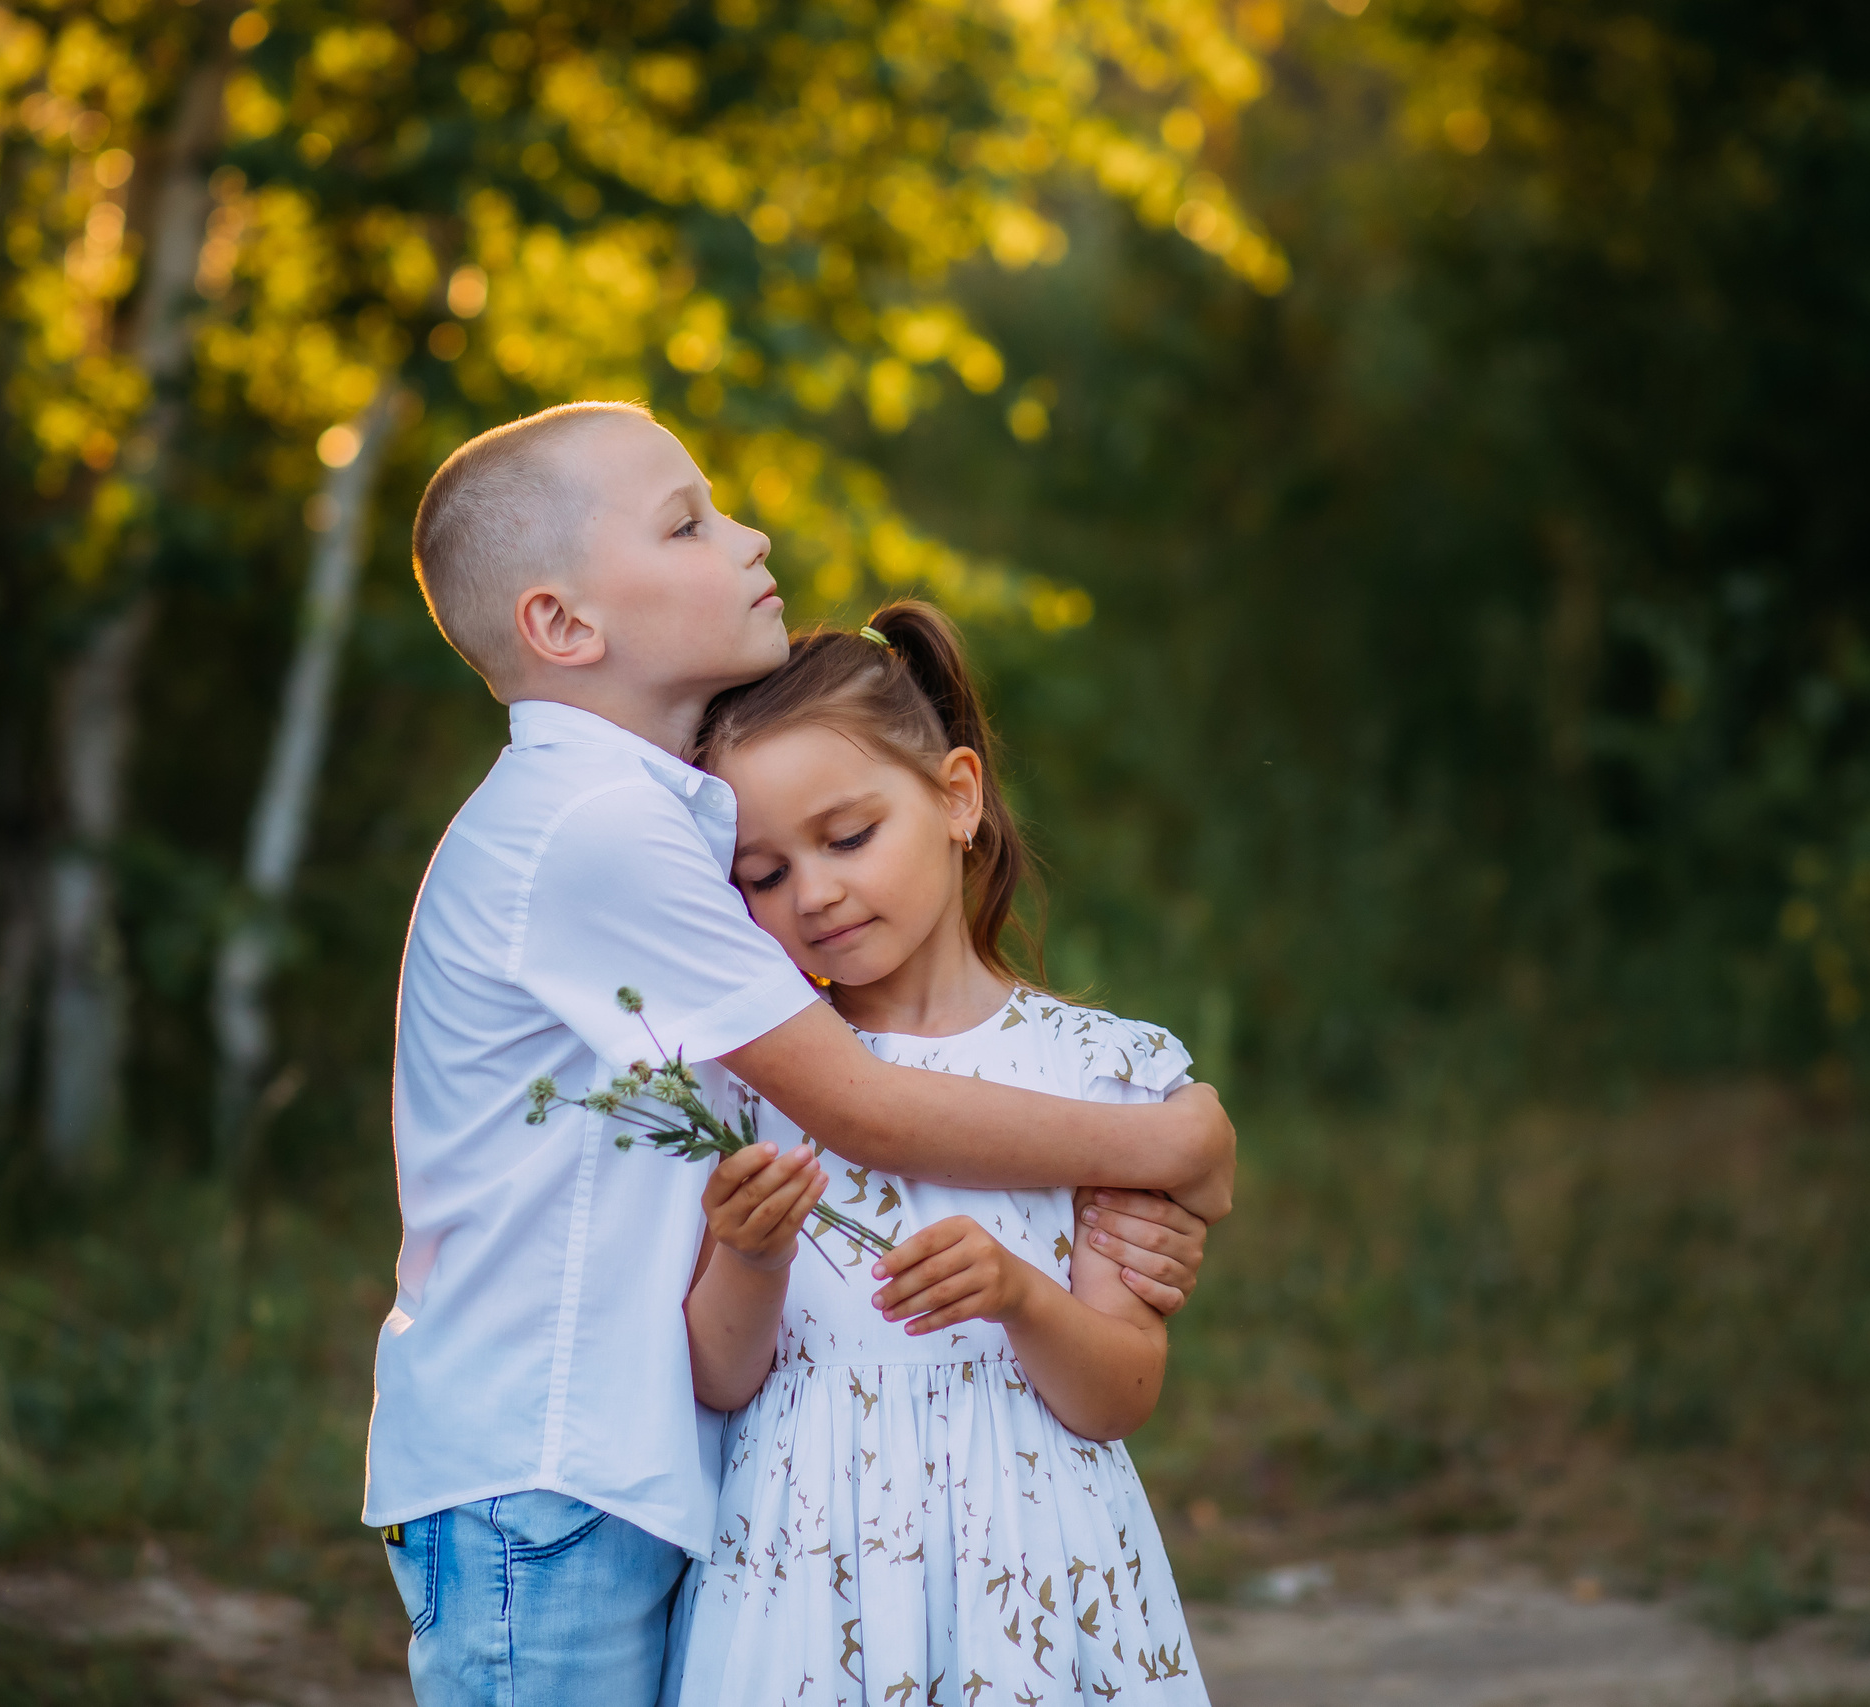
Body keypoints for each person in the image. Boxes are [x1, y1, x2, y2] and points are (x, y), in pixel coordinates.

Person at [369, 401, 1232, 1707]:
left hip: (619, 1464)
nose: (749, 533)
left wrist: (1093, 1207)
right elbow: (868, 1107)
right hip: (547, 1466)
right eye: (687, 520)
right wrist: (1174, 1143)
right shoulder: (600, 824)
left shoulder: (664, 818)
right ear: (562, 624)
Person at [671, 602, 1211, 1706]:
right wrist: (753, 1257)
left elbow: (1119, 1394)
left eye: (847, 837)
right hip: (806, 1575)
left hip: (1031, 1569)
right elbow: (720, 1376)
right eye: (761, 874)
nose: (811, 893)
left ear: (957, 797)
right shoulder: (750, 1080)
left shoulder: (1098, 1072)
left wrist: (1021, 1295)